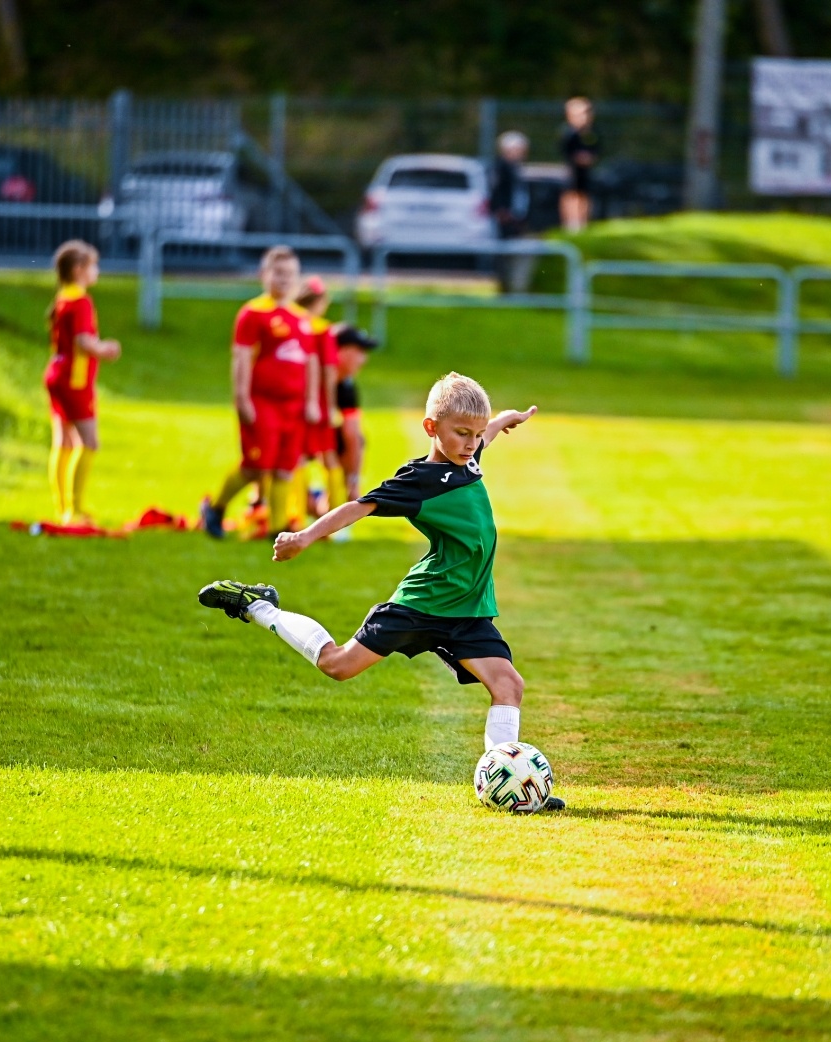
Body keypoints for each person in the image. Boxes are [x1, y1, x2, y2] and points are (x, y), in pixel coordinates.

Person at [196, 372, 563, 811]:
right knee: (338, 665)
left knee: (508, 686)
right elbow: (358, 507)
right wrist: (303, 538)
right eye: (461, 434)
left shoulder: (470, 456)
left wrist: (508, 419)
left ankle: (508, 786)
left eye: (475, 434)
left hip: (467, 611)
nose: (470, 443)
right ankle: (259, 606)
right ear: (432, 429)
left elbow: (490, 430)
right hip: (421, 605)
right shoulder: (418, 481)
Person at [200, 246, 322, 540]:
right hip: (262, 402)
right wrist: (241, 397)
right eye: (278, 273)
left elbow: (311, 362)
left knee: (284, 468)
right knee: (257, 465)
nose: (284, 280)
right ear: (264, 274)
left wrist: (311, 401)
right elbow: (241, 357)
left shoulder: (301, 318)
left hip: (293, 406)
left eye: (290, 274)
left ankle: (278, 530)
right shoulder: (253, 314)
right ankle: (215, 508)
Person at [44, 240, 122, 525]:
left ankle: (62, 507)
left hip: (55, 374)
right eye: (94, 266)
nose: (97, 271)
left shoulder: (63, 297)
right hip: (74, 381)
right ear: (79, 269)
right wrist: (105, 349)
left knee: (63, 442)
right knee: (88, 442)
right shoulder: (81, 301)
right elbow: (82, 341)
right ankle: (74, 511)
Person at [291, 275, 344, 526]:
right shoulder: (322, 329)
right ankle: (337, 517)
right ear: (320, 301)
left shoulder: (292, 324)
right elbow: (330, 370)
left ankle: (298, 514)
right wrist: (332, 406)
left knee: (296, 457)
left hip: (293, 400)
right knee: (329, 456)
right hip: (320, 402)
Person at [330, 324, 378, 536]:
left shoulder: (347, 386)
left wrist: (354, 481)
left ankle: (326, 505)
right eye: (359, 352)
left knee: (352, 440)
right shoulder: (307, 377)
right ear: (341, 351)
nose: (363, 359)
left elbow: (353, 434)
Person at [489, 130, 535, 293]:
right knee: (504, 254)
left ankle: (512, 287)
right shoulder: (501, 167)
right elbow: (496, 192)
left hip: (515, 218)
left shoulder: (515, 168)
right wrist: (502, 211)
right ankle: (506, 288)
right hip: (506, 219)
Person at [558, 97, 599, 233]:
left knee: (584, 194)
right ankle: (571, 224)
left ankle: (583, 222)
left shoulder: (590, 133)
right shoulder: (568, 132)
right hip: (572, 170)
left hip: (585, 171)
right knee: (571, 194)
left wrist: (589, 158)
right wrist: (579, 158)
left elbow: (596, 150)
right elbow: (567, 151)